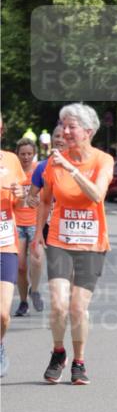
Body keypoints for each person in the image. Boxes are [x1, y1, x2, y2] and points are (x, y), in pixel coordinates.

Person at [33, 104, 114, 385]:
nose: (65, 132)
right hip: (59, 240)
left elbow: (97, 195)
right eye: (63, 126)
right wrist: (36, 235)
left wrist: (72, 168)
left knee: (78, 308)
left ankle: (79, 361)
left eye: (71, 127)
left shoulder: (103, 161)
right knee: (57, 305)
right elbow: (44, 200)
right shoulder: (52, 164)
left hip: (92, 244)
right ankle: (58, 352)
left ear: (88, 131)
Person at [0, 114, 28, 377]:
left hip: (5, 244)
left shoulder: (10, 160)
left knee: (3, 314)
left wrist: (20, 195)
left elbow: (22, 202)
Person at [13, 137, 43, 315]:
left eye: (29, 154)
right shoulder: (12, 172)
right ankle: (23, 302)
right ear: (17, 155)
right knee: (21, 267)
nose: (26, 157)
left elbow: (47, 199)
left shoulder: (38, 171)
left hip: (34, 222)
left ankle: (35, 290)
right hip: (16, 224)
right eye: (23, 154)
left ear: (34, 154)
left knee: (37, 258)